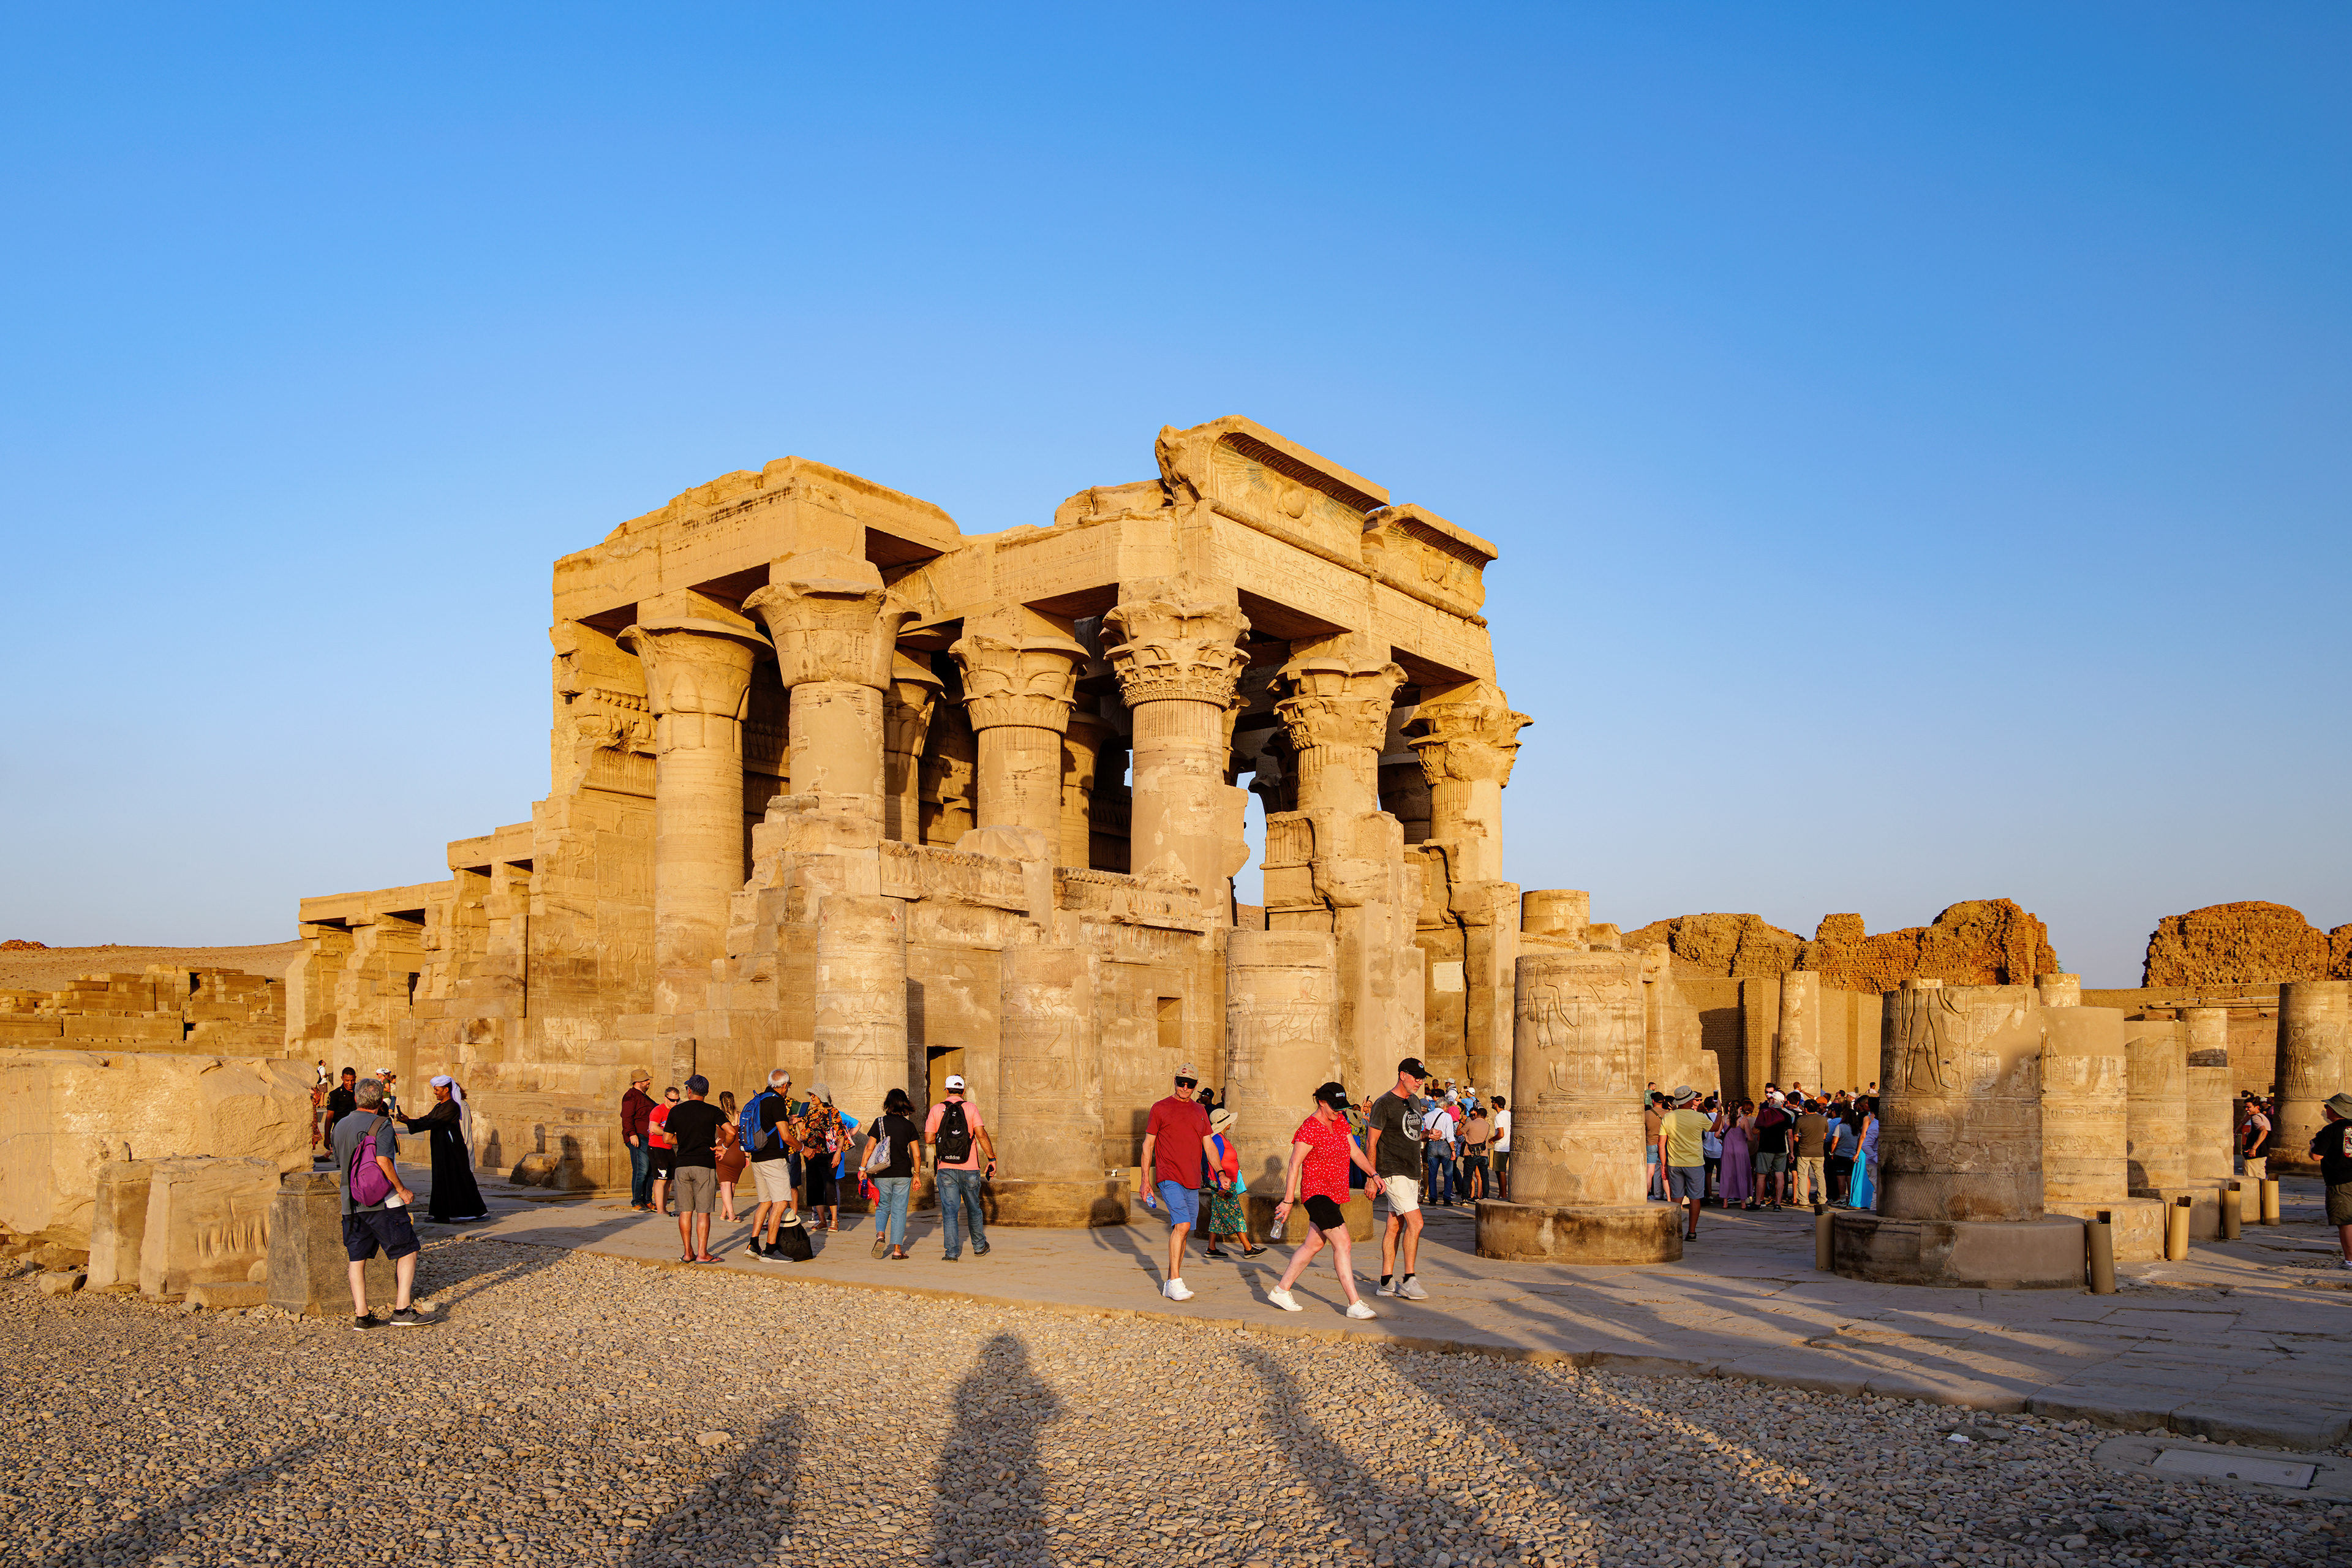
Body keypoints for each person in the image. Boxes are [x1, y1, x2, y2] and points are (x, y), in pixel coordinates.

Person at [1267, 1082, 1384, 1319]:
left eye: (1341, 1107)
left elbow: (1355, 1152)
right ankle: (1354, 1303)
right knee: (1344, 1243)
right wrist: (1288, 1201)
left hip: (1335, 1192)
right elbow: (1294, 1164)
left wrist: (1373, 1174)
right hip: (1317, 1194)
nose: (1338, 1111)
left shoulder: (1340, 1121)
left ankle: (1281, 1290)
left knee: (1313, 1245)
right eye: (1334, 1106)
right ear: (1322, 1102)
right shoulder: (1309, 1128)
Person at [331, 1079, 428, 1331]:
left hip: (350, 1201)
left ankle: (362, 1316)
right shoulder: (381, 1124)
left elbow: (340, 1160)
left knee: (357, 1257)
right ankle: (402, 1310)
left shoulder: (340, 1125)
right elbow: (383, 1160)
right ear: (379, 1101)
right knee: (408, 1249)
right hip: (381, 1200)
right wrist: (402, 1189)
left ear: (356, 1098)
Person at [1140, 1066, 1217, 1299]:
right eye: (1181, 1082)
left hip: (1192, 1179)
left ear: (1195, 1086)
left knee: (1184, 1231)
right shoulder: (1160, 1108)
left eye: (1190, 1084)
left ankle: (1170, 1282)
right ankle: (1175, 1281)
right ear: (1174, 1080)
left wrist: (1221, 1172)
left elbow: (1209, 1145)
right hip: (1169, 1176)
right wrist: (1145, 1181)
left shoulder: (1200, 1111)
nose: (1185, 1087)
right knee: (1182, 1225)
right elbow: (1148, 1145)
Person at [1365, 1057, 1431, 1300]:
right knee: (1417, 1223)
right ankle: (1409, 1280)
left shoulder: (1413, 1101)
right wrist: (1371, 1176)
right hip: (1392, 1171)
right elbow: (1371, 1142)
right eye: (1416, 1077)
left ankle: (1385, 1282)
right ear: (1402, 1075)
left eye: (1422, 1078)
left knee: (1395, 1225)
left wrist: (1428, 1135)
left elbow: (1412, 1133)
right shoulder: (1383, 1103)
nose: (1420, 1082)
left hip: (1412, 1171)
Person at [397, 1075, 489, 1223]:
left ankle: (476, 1212)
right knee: (441, 1179)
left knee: (460, 1179)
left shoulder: (452, 1106)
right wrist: (409, 1121)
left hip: (452, 1151)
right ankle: (441, 1214)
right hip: (442, 1149)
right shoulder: (440, 1106)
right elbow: (428, 1118)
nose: (435, 1092)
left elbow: (435, 1121)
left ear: (446, 1090)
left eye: (437, 1090)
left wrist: (413, 1124)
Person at [926, 1072, 996, 1262]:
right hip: (970, 1166)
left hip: (945, 1168)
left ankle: (951, 1253)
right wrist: (992, 1158)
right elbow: (981, 1135)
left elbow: (929, 1138)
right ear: (963, 1091)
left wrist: (945, 1139)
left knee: (950, 1211)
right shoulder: (971, 1108)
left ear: (947, 1091)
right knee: (974, 1208)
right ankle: (979, 1247)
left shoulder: (937, 1109)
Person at [663, 1075, 726, 1263]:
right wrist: (723, 1147)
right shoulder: (713, 1111)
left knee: (685, 1211)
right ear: (706, 1092)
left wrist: (684, 1141)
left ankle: (688, 1253)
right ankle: (703, 1254)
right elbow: (731, 1131)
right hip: (705, 1164)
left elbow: (667, 1139)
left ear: (689, 1090)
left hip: (683, 1164)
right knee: (703, 1212)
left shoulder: (676, 1111)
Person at [861, 1087, 921, 1259]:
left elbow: (869, 1148)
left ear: (888, 1104)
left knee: (882, 1207)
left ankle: (880, 1236)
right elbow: (917, 1154)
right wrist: (917, 1175)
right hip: (903, 1173)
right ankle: (897, 1251)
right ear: (904, 1104)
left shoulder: (879, 1122)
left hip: (882, 1172)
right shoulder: (909, 1126)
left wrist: (863, 1169)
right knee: (899, 1210)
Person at [745, 1069, 797, 1261]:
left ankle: (753, 1245)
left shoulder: (760, 1099)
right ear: (784, 1085)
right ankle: (770, 1250)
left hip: (758, 1157)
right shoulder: (777, 1102)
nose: (788, 1089)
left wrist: (788, 1121)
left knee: (766, 1202)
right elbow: (785, 1136)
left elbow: (771, 1125)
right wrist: (803, 1148)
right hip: (774, 1159)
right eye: (788, 1086)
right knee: (781, 1202)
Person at [1202, 1107, 1263, 1259]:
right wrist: (1220, 1185)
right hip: (1224, 1184)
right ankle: (1248, 1248)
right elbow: (1214, 1162)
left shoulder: (1220, 1138)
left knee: (1217, 1216)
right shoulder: (1218, 1139)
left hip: (1226, 1183)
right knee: (1236, 1215)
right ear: (1225, 1123)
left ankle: (1211, 1248)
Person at [1657, 1088, 1711, 1242]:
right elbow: (1714, 1128)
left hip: (1675, 1163)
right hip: (1695, 1163)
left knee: (1676, 1198)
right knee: (1695, 1198)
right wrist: (1719, 1111)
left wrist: (1664, 1165)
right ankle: (1692, 1232)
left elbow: (1661, 1144)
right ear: (1689, 1101)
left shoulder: (1668, 1117)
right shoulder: (1699, 1117)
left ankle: (1674, 1231)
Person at [2309, 1092, 2352, 1270]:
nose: (2325, 1109)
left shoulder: (2330, 1130)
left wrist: (2312, 1146)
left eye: (2327, 1106)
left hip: (2340, 1181)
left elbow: (2316, 1156)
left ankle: (2350, 1260)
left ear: (2335, 1110)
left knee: (2346, 1221)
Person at [801, 1083, 847, 1232]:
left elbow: (841, 1135)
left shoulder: (833, 1112)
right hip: (811, 1155)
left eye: (814, 1095)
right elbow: (804, 1134)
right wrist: (798, 1144)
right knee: (814, 1187)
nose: (811, 1097)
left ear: (821, 1095)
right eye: (811, 1095)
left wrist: (838, 1153)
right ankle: (821, 1221)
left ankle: (834, 1220)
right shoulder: (810, 1112)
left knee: (829, 1186)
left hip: (828, 1155)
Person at [622, 1069, 657, 1212]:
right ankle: (636, 1202)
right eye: (646, 1080)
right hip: (638, 1138)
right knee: (641, 1171)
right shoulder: (630, 1096)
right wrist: (632, 1134)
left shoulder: (645, 1098)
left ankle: (647, 1201)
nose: (649, 1082)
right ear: (638, 1082)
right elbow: (626, 1117)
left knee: (650, 1172)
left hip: (650, 1138)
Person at [1753, 1093, 1793, 1209]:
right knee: (1780, 1175)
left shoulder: (1765, 1113)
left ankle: (1758, 1203)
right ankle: (1778, 1204)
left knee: (1761, 1175)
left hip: (1765, 1148)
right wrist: (1791, 1152)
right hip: (1781, 1149)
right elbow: (1790, 1136)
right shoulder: (1787, 1116)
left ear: (1773, 1101)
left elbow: (1755, 1131)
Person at [714, 1090, 747, 1222]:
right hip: (738, 1152)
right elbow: (744, 1137)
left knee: (725, 1185)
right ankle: (724, 1213)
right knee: (732, 1186)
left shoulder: (719, 1116)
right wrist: (747, 1156)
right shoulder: (740, 1116)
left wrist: (716, 1142)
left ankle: (731, 1214)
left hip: (723, 1150)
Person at [647, 1084, 680, 1216]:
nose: (675, 1102)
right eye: (672, 1100)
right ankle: (660, 1209)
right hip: (657, 1147)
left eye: (677, 1100)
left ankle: (664, 1208)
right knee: (661, 1179)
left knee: (669, 1179)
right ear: (666, 1098)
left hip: (668, 1147)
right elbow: (653, 1128)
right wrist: (669, 1134)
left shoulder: (675, 1112)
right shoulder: (658, 1110)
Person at [1421, 1094, 1458, 1207]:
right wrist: (1453, 1150)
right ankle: (1447, 1199)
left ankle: (1433, 1198)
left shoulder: (1427, 1116)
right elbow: (1450, 1135)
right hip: (1444, 1144)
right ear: (1444, 1106)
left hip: (1432, 1144)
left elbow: (1424, 1131)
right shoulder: (1447, 1116)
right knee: (1448, 1174)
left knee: (1432, 1173)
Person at [1793, 1098, 1830, 1207]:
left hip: (1804, 1151)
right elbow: (1824, 1136)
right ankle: (1822, 1199)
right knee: (1820, 1176)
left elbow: (1796, 1137)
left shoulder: (1801, 1120)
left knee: (1803, 1176)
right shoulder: (1823, 1119)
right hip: (1818, 1151)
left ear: (1805, 1109)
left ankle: (1803, 1200)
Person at [1720, 1098, 1755, 1209]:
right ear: (1740, 1108)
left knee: (1727, 1174)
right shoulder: (1744, 1121)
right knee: (1742, 1174)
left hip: (1727, 1150)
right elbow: (1750, 1138)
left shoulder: (1724, 1119)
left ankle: (1725, 1202)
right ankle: (1743, 1202)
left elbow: (1716, 1134)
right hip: (1741, 1150)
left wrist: (1724, 1139)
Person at [1458, 1103, 1493, 1202]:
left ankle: (1465, 1198)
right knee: (1484, 1176)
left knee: (1467, 1176)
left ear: (1476, 1114)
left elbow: (1458, 1133)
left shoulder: (1470, 1124)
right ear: (1485, 1116)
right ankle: (1485, 1196)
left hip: (1470, 1153)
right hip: (1483, 1154)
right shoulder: (1487, 1125)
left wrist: (1462, 1122)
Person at [1849, 1101, 1880, 1212]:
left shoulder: (1873, 1121)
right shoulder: (1871, 1121)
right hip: (1869, 1153)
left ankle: (1869, 1205)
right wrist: (1858, 1152)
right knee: (1873, 1184)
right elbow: (1863, 1137)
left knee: (1873, 1184)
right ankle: (1869, 1206)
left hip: (1868, 1153)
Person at [1826, 1106, 1860, 1206]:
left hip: (1840, 1155)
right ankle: (1850, 1198)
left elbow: (1834, 1142)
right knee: (1850, 1177)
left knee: (1841, 1178)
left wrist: (1832, 1152)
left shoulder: (1840, 1127)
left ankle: (1842, 1199)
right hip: (1852, 1155)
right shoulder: (1858, 1129)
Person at [2242, 1097, 2275, 1182]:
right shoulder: (2262, 1117)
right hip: (2262, 1153)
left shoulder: (2256, 1117)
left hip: (2255, 1154)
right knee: (2261, 1177)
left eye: (2249, 1107)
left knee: (2250, 1178)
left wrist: (2253, 1148)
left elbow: (2264, 1132)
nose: (2246, 1109)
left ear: (2257, 1107)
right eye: (2245, 1107)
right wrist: (2249, 1135)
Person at [325, 1068, 358, 1148]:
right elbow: (330, 1116)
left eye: (352, 1080)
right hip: (341, 1131)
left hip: (357, 1131)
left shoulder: (360, 1092)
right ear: (342, 1078)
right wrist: (327, 1137)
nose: (350, 1083)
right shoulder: (335, 1094)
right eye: (347, 1081)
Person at [1643, 1092, 1667, 1200]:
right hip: (1664, 1145)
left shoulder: (1646, 1114)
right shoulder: (1668, 1114)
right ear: (1663, 1101)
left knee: (1650, 1172)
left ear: (1653, 1101)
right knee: (1664, 1170)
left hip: (1650, 1144)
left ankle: (1647, 1195)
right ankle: (1668, 1197)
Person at [1490, 1095, 1512, 1200]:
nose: (1492, 1103)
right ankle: (1501, 1193)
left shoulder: (1499, 1117)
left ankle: (1503, 1194)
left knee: (1501, 1171)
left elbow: (1501, 1134)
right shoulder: (1509, 1114)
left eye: (1493, 1102)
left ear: (1496, 1104)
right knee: (1499, 1171)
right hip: (1508, 1146)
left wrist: (1492, 1139)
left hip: (1501, 1147)